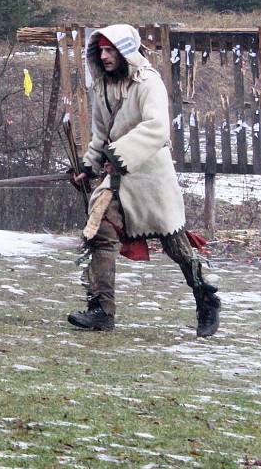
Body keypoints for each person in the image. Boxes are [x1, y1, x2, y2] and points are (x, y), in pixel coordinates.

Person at [67, 24, 221, 337]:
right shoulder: (102, 86)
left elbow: (157, 127)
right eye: (101, 50)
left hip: (151, 176)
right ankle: (101, 310)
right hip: (117, 179)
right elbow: (102, 133)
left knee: (176, 247)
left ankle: (206, 299)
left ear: (125, 52)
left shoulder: (149, 82)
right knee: (101, 232)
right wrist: (89, 164)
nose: (104, 56)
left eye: (110, 50)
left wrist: (116, 156)